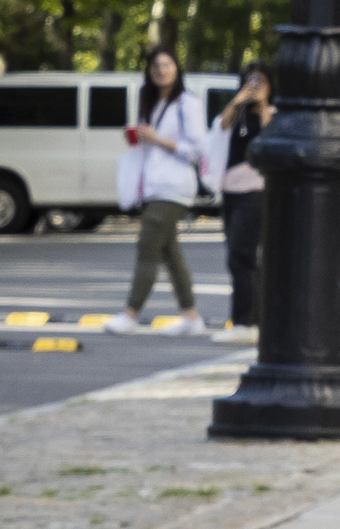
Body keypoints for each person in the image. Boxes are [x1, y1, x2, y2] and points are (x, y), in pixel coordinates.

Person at [103, 48, 204, 330]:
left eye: (167, 64)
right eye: (156, 66)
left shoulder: (188, 103)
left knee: (147, 247)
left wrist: (156, 138)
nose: (161, 70)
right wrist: (139, 138)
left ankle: (131, 314)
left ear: (177, 69)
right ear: (149, 72)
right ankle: (191, 317)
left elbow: (196, 151)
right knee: (171, 254)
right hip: (153, 186)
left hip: (173, 187)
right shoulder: (153, 104)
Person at [212, 63, 271, 331]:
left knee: (240, 255)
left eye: (261, 81)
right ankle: (254, 318)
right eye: (251, 81)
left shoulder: (274, 114)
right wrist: (238, 102)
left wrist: (263, 104)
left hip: (256, 192)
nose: (255, 86)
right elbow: (220, 130)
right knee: (242, 258)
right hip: (230, 191)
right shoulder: (237, 114)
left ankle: (244, 320)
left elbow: (272, 142)